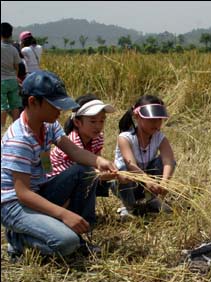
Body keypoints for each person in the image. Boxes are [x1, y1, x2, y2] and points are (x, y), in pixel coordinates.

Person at [1, 70, 118, 260]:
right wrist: (64, 214)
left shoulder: (48, 125)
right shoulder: (19, 140)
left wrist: (99, 161)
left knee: (85, 171)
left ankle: (79, 233)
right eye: (55, 105)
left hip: (39, 192)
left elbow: (75, 152)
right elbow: (23, 194)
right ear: (33, 102)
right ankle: (18, 239)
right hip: (15, 205)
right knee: (66, 243)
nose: (60, 111)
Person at [112, 95, 176, 220]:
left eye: (159, 120)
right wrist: (147, 180)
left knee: (163, 163)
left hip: (147, 184)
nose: (156, 123)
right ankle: (129, 206)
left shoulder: (159, 137)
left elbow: (169, 161)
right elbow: (131, 164)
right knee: (124, 171)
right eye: (151, 120)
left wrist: (164, 183)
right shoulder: (125, 138)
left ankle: (151, 199)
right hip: (127, 184)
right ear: (137, 117)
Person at [48, 93, 117, 197]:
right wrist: (101, 174)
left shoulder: (98, 137)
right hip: (57, 181)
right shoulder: (72, 141)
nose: (98, 126)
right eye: (93, 121)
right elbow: (81, 172)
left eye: (102, 121)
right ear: (77, 122)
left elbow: (96, 160)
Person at [1, 22, 22, 128]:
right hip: (13, 80)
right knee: (15, 106)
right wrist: (15, 76)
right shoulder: (13, 49)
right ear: (10, 34)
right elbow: (17, 66)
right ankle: (16, 128)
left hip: (2, 81)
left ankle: (1, 128)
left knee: (2, 106)